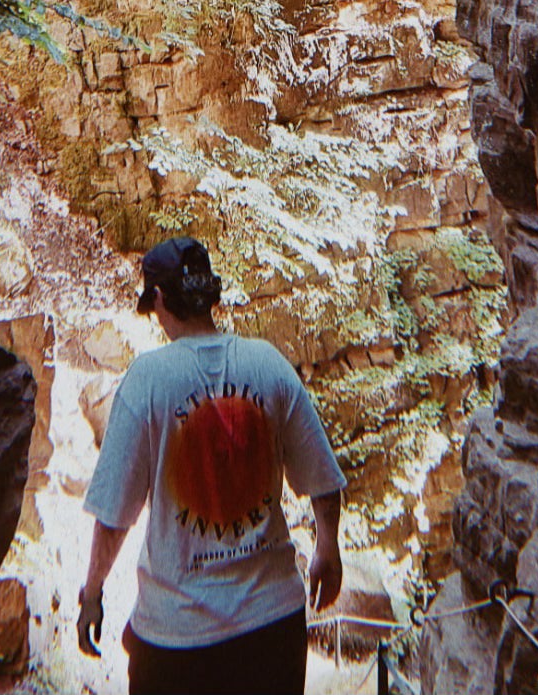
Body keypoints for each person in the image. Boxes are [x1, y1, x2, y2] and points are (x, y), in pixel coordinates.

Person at [76, 236, 345, 695]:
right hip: (273, 627)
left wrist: (93, 594)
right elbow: (321, 478)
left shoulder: (148, 380)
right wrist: (327, 547)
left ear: (159, 298)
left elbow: (114, 515)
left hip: (178, 638)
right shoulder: (269, 364)